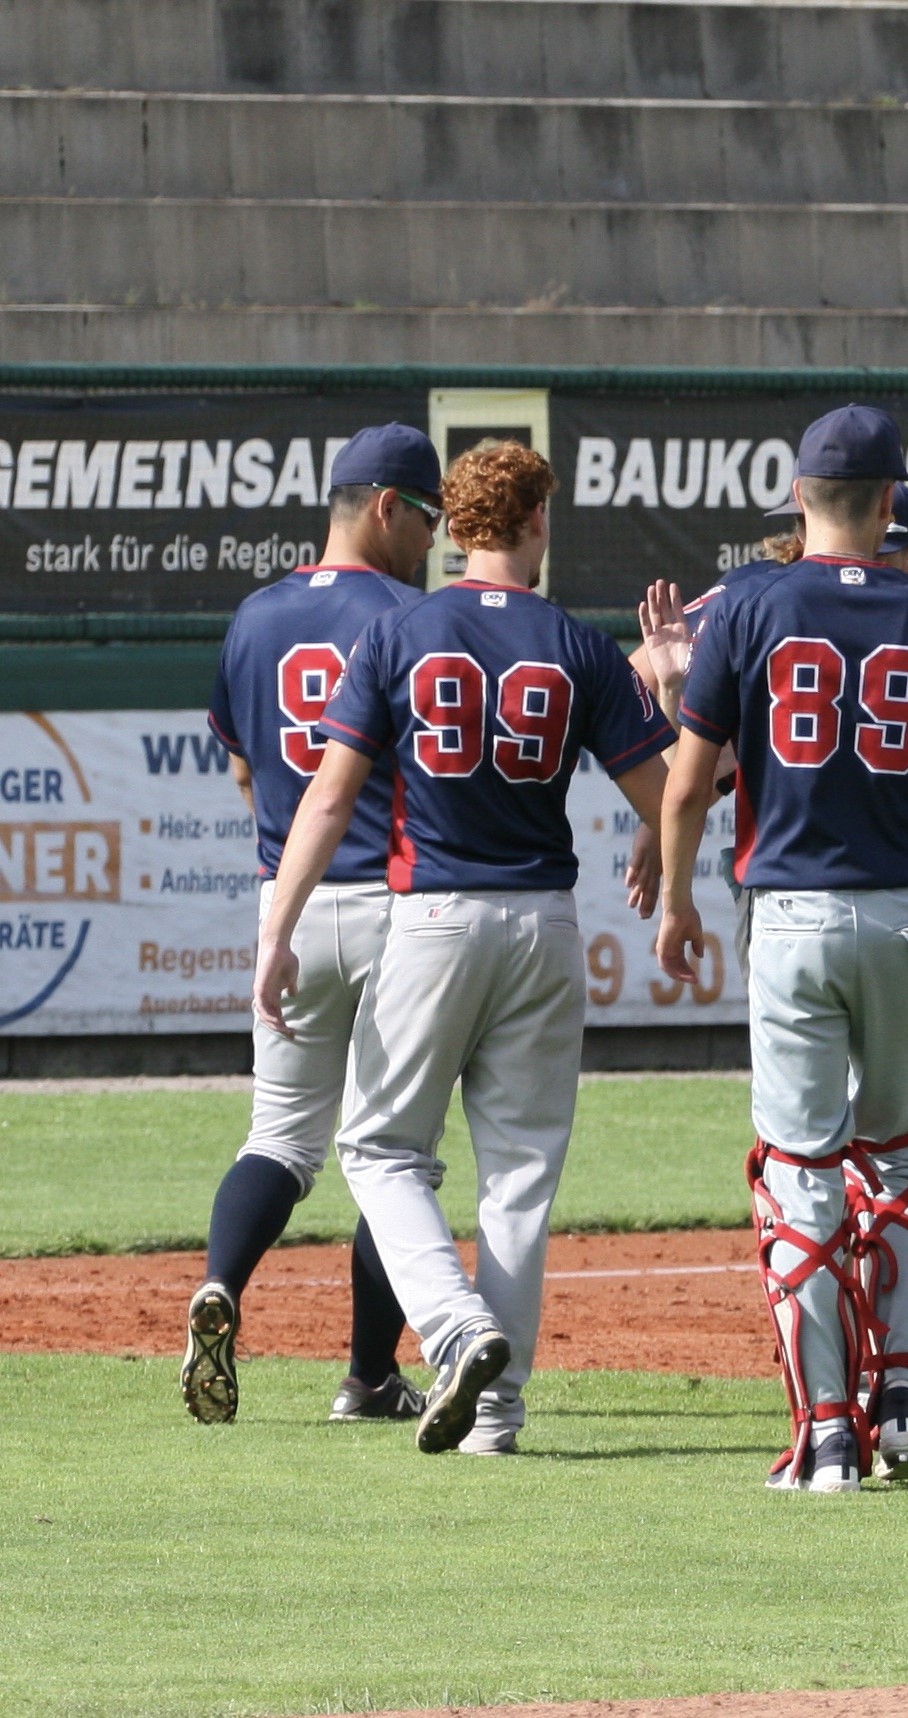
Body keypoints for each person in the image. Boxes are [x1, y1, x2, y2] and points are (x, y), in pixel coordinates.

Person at [654, 406, 908, 1494]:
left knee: (801, 1177)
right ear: (890, 503)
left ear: (796, 496)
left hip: (791, 915)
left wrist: (677, 898)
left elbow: (689, 780)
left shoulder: (749, 605)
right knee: (899, 1160)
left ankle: (829, 1429)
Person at [252, 439, 674, 1457]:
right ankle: (499, 1412)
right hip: (543, 922)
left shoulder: (403, 629)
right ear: (535, 522)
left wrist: (278, 928)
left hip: (435, 918)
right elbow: (668, 795)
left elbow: (331, 794)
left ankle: (452, 1325)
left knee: (379, 1147)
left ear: (455, 524)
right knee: (519, 1174)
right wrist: (675, 872)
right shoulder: (576, 642)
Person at [186, 424, 441, 1428]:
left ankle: (218, 1286)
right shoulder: (412, 617)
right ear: (385, 506)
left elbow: (247, 770)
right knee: (393, 1152)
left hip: (284, 902)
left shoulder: (255, 617)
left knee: (281, 1140)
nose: (432, 538)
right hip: (393, 901)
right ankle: (370, 1376)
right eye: (425, 516)